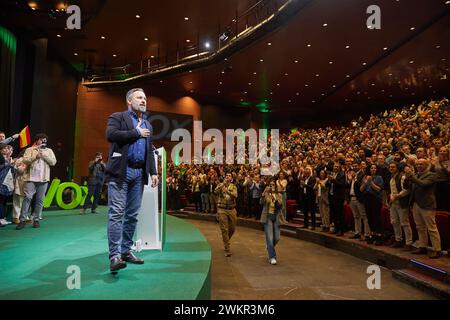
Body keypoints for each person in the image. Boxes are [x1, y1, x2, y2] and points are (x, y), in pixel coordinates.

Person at [105, 88, 158, 272]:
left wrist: (153, 172)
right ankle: (114, 256)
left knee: (133, 215)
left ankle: (125, 250)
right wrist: (135, 133)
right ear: (129, 101)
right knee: (117, 213)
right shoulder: (118, 117)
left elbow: (149, 150)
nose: (143, 100)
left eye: (145, 97)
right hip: (121, 171)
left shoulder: (148, 125)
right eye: (139, 97)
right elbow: (111, 135)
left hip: (138, 174)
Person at [16, 133, 56, 230]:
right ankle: (22, 220)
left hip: (43, 179)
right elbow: (25, 160)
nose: (43, 141)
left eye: (45, 139)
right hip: (31, 178)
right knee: (27, 198)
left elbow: (53, 162)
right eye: (41, 139)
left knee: (40, 200)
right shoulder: (30, 149)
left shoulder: (49, 151)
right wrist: (36, 157)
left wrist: (44, 155)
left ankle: (36, 219)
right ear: (37, 140)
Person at [405, 158, 441, 258]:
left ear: (426, 165)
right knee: (420, 227)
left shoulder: (432, 175)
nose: (418, 166)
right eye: (417, 164)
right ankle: (423, 246)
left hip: (427, 204)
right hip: (416, 204)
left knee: (431, 228)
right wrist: (407, 178)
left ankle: (437, 249)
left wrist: (411, 176)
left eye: (421, 164)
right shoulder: (416, 175)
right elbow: (408, 187)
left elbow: (423, 185)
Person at [260, 180, 286, 265]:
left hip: (276, 217)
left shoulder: (279, 195)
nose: (272, 186)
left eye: (273, 184)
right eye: (270, 185)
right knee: (270, 238)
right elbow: (261, 202)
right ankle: (272, 257)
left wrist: (275, 199)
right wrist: (264, 193)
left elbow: (281, 206)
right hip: (268, 217)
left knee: (277, 238)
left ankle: (269, 247)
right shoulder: (266, 194)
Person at [388, 162, 413, 250]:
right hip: (393, 202)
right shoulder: (391, 178)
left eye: (393, 167)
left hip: (401, 202)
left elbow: (406, 190)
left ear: (397, 168)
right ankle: (398, 240)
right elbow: (391, 190)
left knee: (404, 223)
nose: (391, 168)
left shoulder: (402, 177)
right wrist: (391, 197)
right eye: (390, 167)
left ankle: (408, 243)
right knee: (394, 222)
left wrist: (397, 196)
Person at [360, 164, 384, 245]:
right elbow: (361, 189)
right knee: (369, 217)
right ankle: (373, 235)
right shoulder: (365, 177)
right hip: (367, 198)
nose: (373, 169)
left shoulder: (379, 177)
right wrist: (365, 182)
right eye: (371, 168)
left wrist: (371, 182)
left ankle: (379, 236)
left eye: (374, 168)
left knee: (376, 217)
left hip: (375, 199)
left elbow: (378, 189)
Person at [215, 172, 238, 257]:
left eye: (229, 176)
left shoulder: (233, 186)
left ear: (231, 178)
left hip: (231, 209)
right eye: (226, 176)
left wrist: (227, 191)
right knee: (224, 229)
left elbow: (235, 195)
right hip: (222, 209)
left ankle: (226, 240)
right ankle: (227, 248)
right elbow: (215, 191)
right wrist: (222, 186)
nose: (228, 177)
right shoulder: (221, 185)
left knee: (232, 228)